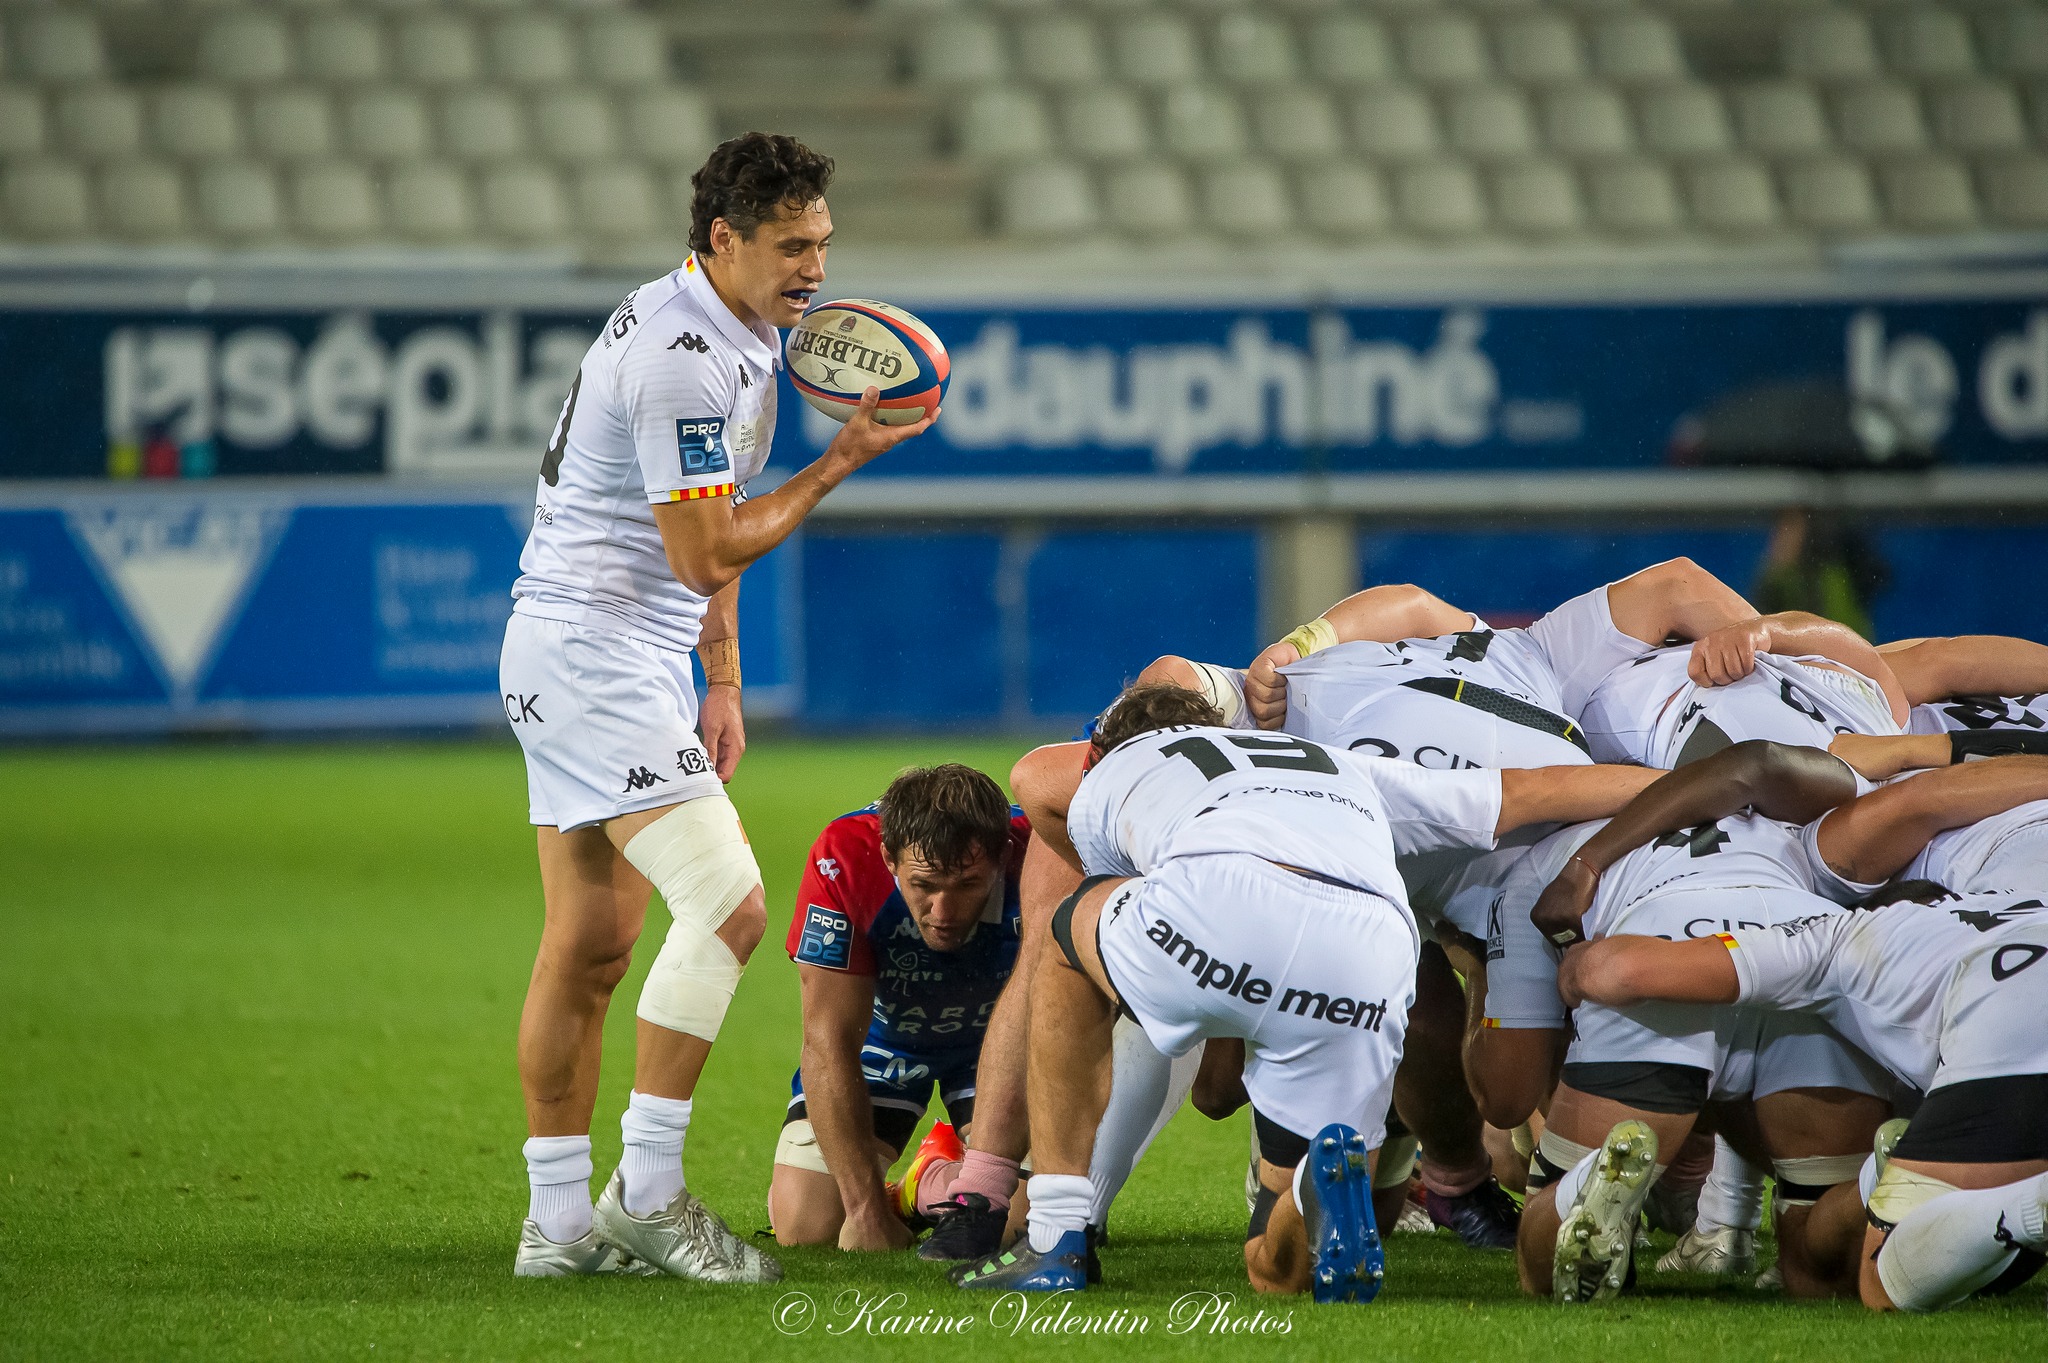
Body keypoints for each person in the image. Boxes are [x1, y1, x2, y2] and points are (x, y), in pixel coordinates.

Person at [498, 132, 936, 1279]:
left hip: (598, 652)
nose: (814, 270)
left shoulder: (736, 331)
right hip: (591, 653)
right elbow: (705, 550)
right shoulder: (690, 356)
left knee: (591, 941)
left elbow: (709, 532)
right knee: (734, 905)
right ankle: (645, 1191)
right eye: (791, 246)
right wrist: (837, 462)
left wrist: (722, 677)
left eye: (824, 244)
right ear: (722, 238)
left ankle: (555, 1225)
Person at [953, 683, 1660, 1300]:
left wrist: (1112, 866)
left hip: (1220, 897)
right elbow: (1537, 791)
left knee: (1064, 934)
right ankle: (1299, 1195)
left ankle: (1055, 1233)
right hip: (1370, 952)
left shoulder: (1118, 764)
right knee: (1275, 1269)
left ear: (1100, 753)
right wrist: (1702, 782)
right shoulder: (1342, 765)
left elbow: (1033, 775)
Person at [765, 764, 1030, 1250]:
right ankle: (916, 1187)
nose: (943, 913)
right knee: (806, 1229)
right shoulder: (845, 857)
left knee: (1016, 1225)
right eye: (924, 886)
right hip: (882, 1042)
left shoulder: (1040, 851)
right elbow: (827, 1040)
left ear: (1001, 857)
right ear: (889, 857)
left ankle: (934, 1180)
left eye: (968, 886)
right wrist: (865, 1212)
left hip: (1000, 1046)